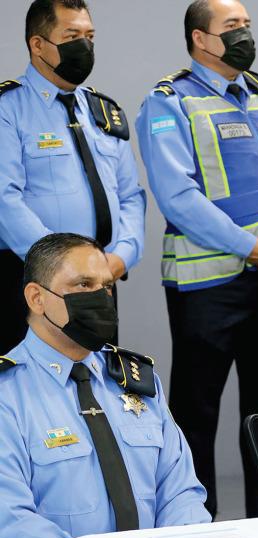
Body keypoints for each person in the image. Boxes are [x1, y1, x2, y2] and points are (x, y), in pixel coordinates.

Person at [135, 0, 258, 518]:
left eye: (247, 25)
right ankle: (193, 529)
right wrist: (251, 247)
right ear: (201, 39)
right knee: (197, 414)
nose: (244, 34)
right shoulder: (170, 102)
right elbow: (178, 197)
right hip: (208, 286)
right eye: (231, 26)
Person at [0, 233, 209, 538]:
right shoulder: (8, 394)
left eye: (106, 286)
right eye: (83, 285)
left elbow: (181, 492)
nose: (100, 297)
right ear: (37, 298)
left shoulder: (135, 379)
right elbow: (10, 518)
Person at [0, 0, 146, 355]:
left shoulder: (104, 112)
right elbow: (5, 197)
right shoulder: (8, 108)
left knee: (96, 381)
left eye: (89, 35)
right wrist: (61, 267)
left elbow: (131, 196)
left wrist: (120, 257)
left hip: (100, 280)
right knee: (24, 391)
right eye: (71, 35)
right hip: (30, 279)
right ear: (38, 44)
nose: (84, 45)